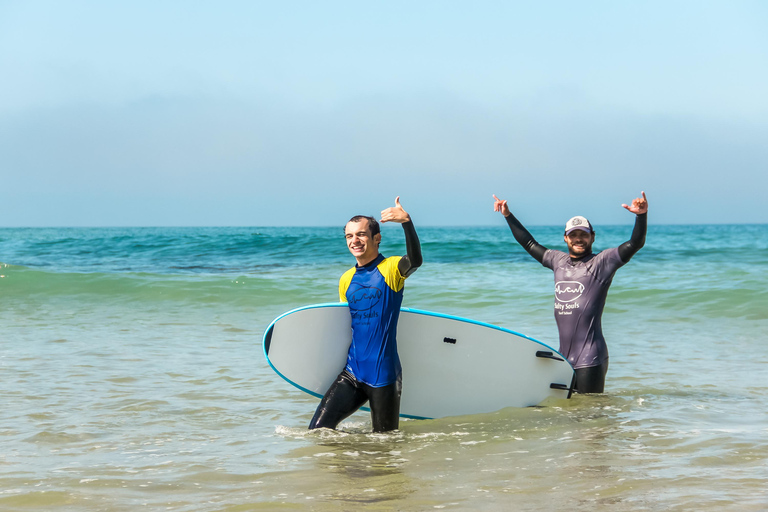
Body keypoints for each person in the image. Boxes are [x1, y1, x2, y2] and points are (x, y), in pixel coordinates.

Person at [492, 192, 648, 393]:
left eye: (583, 234)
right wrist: (508, 215)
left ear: (592, 236)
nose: (578, 239)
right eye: (573, 235)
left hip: (590, 358)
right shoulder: (558, 261)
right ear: (565, 238)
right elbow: (529, 244)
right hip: (563, 357)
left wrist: (641, 215)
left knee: (590, 416)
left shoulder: (601, 263)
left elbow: (635, 244)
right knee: (569, 416)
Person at [309, 196, 423, 432]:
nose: (355, 241)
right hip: (352, 373)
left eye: (361, 234)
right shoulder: (346, 279)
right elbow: (343, 327)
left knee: (384, 446)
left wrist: (407, 223)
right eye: (349, 236)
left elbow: (415, 260)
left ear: (376, 238)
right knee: (318, 431)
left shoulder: (390, 269)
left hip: (384, 377)